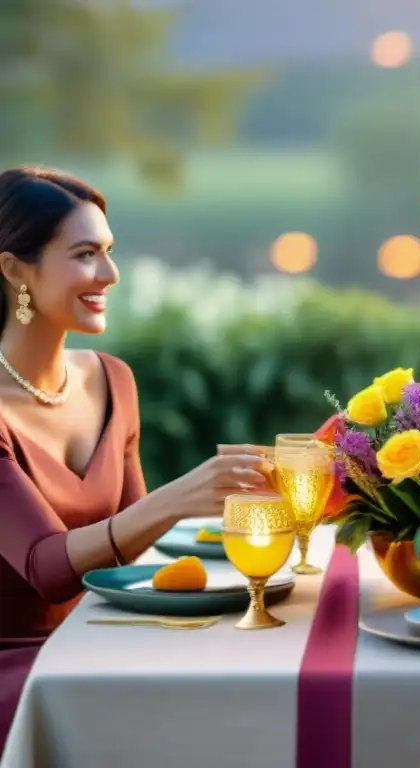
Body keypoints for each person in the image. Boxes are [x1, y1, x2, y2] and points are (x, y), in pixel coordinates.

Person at [0, 167, 274, 754]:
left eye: (109, 251)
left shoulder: (112, 381)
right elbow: (47, 569)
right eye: (84, 254)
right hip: (21, 671)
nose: (109, 274)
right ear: (15, 269)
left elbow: (132, 555)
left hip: (94, 642)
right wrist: (180, 496)